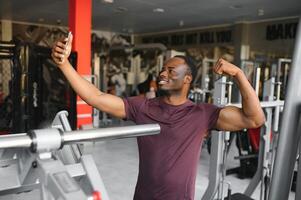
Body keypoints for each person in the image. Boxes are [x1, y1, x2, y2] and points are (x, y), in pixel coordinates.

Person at [51, 34, 265, 200]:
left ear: (187, 79)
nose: (163, 74)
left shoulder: (202, 114)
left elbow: (255, 119)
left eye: (172, 71)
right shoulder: (143, 106)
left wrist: (238, 74)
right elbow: (95, 97)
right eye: (163, 70)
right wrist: (64, 64)